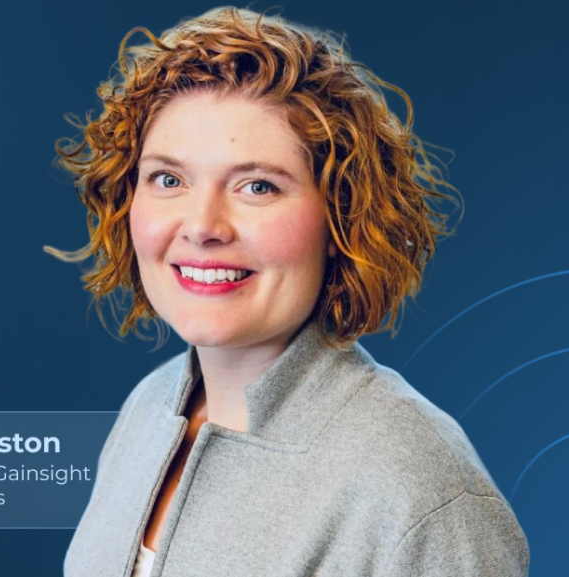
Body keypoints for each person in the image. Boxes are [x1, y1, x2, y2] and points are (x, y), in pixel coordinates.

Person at [46, 6, 529, 576]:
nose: (202, 226)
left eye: (258, 186)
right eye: (169, 179)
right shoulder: (146, 411)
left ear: (341, 218)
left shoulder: (417, 488)